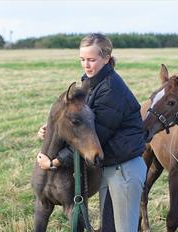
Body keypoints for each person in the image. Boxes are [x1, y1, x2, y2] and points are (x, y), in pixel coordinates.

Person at [37, 33, 147, 232]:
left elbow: (94, 137)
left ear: (106, 58)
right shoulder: (91, 83)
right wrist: (55, 130)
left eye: (91, 60)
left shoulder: (111, 90)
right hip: (110, 166)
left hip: (124, 170)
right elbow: (81, 124)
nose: (86, 65)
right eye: (82, 60)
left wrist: (54, 162)